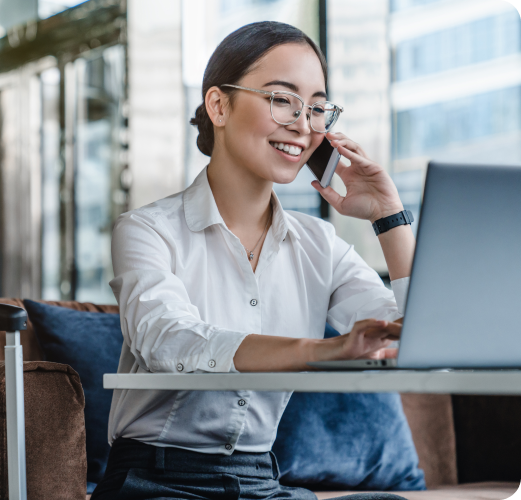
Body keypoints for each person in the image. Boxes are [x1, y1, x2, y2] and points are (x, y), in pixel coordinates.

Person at [91, 21, 415, 500]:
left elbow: (414, 339)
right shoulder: (146, 230)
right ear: (218, 105)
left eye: (317, 108)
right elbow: (169, 342)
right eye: (282, 99)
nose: (303, 125)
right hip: (155, 480)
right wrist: (323, 351)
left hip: (260, 481)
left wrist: (389, 215)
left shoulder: (319, 244)